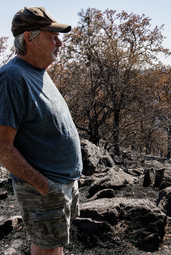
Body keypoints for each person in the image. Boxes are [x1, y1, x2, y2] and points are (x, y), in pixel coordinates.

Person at [0, 7, 82, 255]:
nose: (59, 43)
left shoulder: (38, 72)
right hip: (45, 187)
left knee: (54, 245)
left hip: (62, 182)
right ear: (29, 38)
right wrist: (44, 185)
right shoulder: (11, 78)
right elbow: (2, 147)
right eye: (52, 36)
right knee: (46, 249)